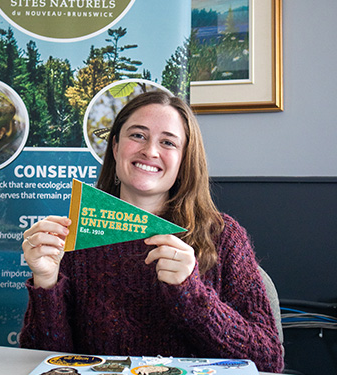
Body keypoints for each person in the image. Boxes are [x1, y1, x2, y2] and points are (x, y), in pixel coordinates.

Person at [20, 91, 284, 373]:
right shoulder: (77, 237)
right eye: (137, 135)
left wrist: (191, 293)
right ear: (115, 146)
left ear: (184, 160)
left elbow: (268, 359)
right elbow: (47, 362)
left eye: (168, 142)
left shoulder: (223, 236)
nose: (151, 151)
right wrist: (46, 283)